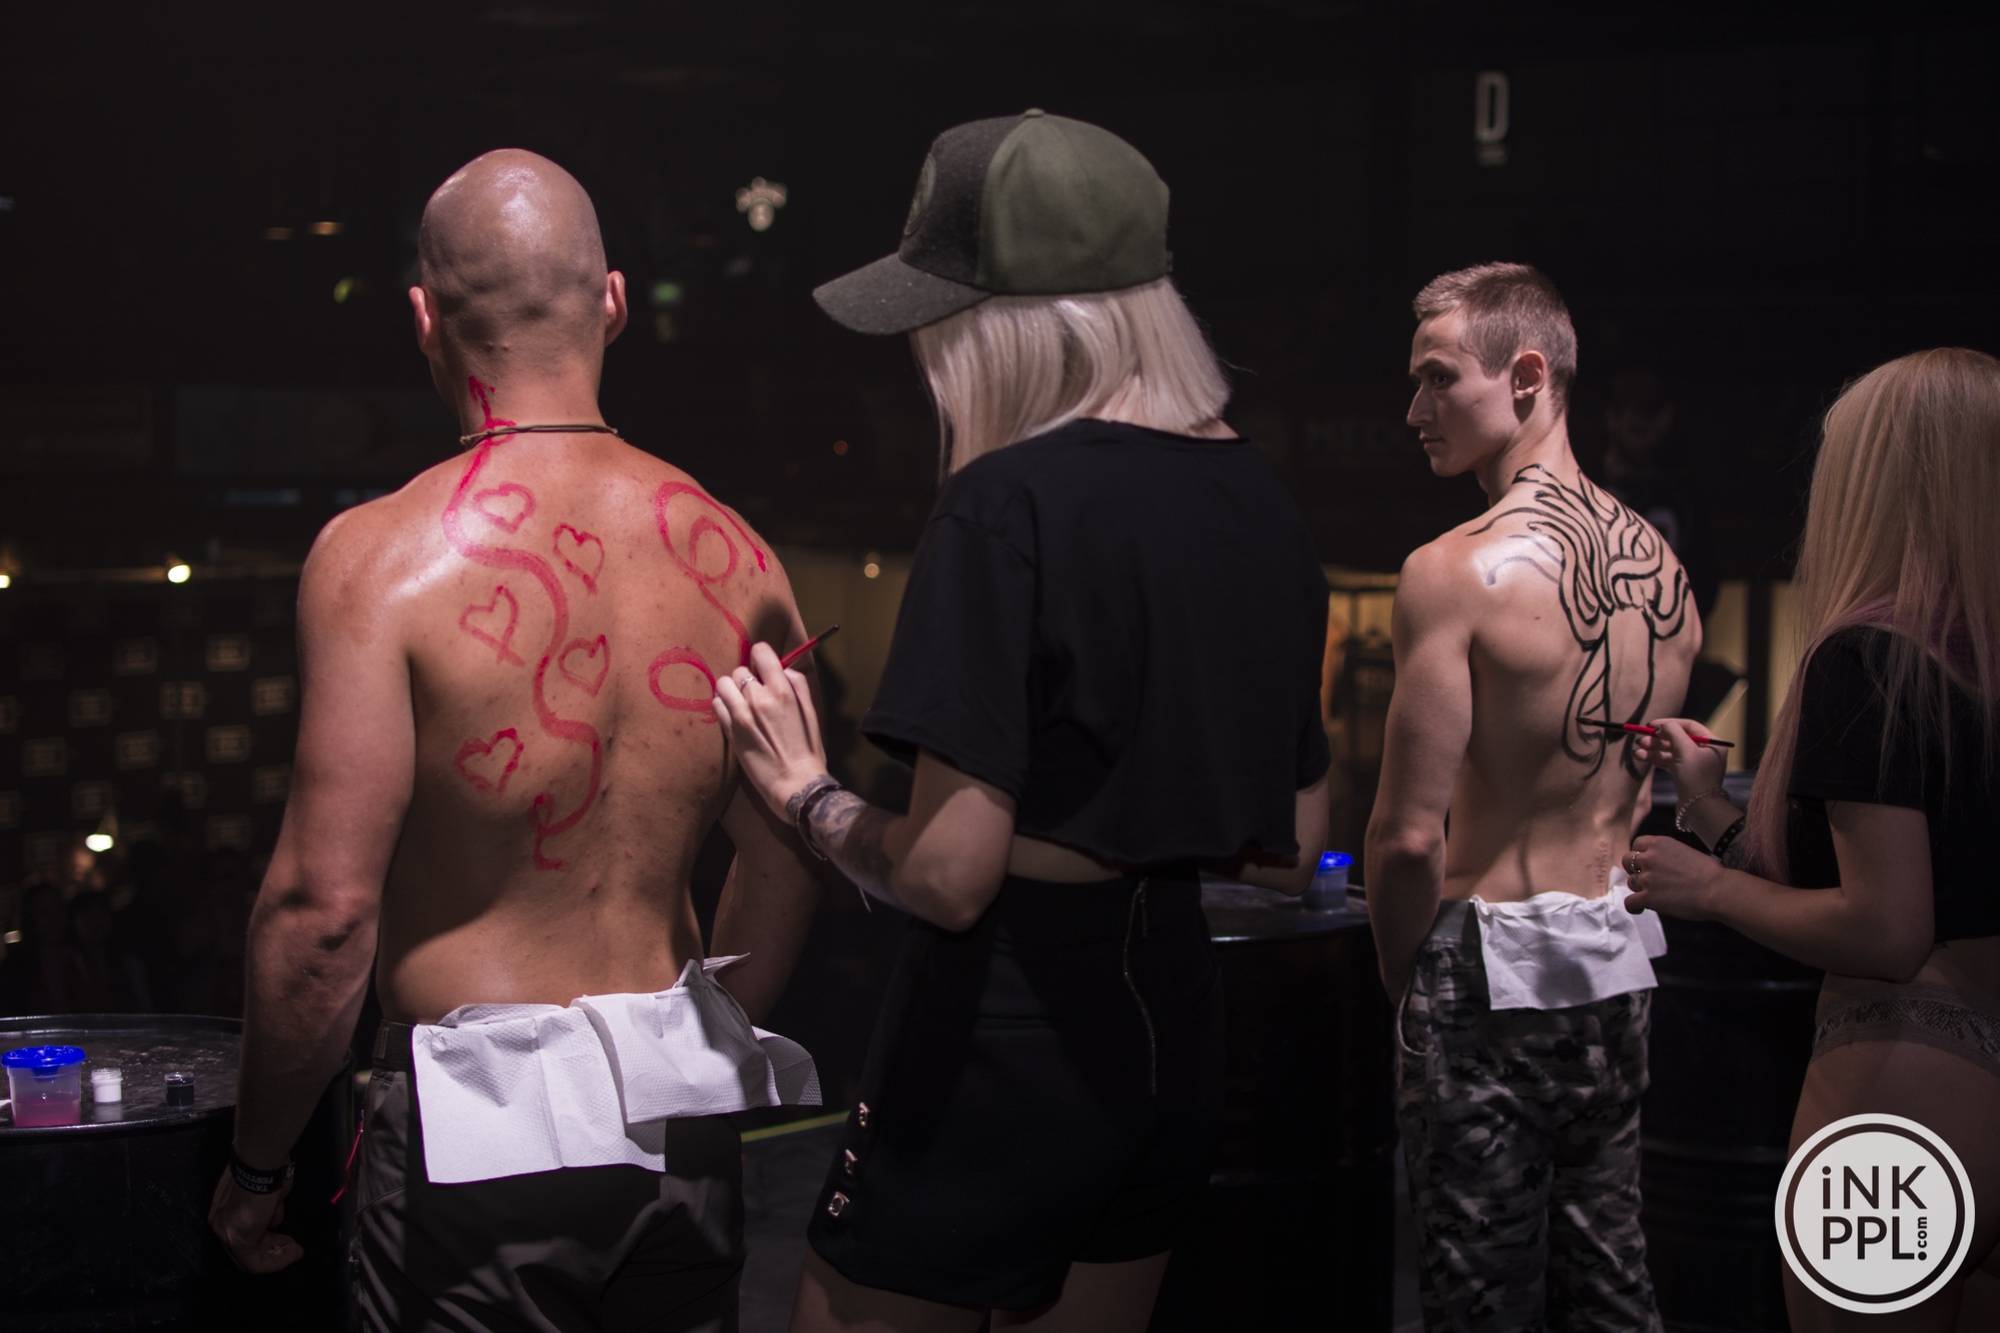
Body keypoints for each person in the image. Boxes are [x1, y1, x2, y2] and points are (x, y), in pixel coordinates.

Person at [711, 110, 1331, 1331]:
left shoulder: (1004, 505)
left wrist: (805, 792)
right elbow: (1293, 844)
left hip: (999, 1034)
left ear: (1007, 327)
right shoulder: (1257, 497)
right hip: (1174, 1025)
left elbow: (947, 877)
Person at [207, 149, 823, 1332]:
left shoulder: (378, 561)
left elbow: (323, 916)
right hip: (682, 1124)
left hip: (472, 1139)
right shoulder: (738, 555)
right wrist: (695, 1047)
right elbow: (792, 852)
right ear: (615, 302)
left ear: (423, 318)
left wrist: (256, 1163)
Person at [1624, 347, 2000, 1330]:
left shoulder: (1869, 657)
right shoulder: (1974, 663)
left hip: (1907, 1072)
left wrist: (1704, 887)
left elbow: (1885, 927)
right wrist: (1710, 808)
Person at [1366, 262, 1699, 1331]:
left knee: (1479, 1302)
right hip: (1614, 961)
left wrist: (1407, 985)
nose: (1414, 410)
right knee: (1609, 1283)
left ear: (1524, 375)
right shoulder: (1665, 572)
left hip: (1485, 965)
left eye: (1437, 378)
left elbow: (1407, 837)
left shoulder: (1451, 569)